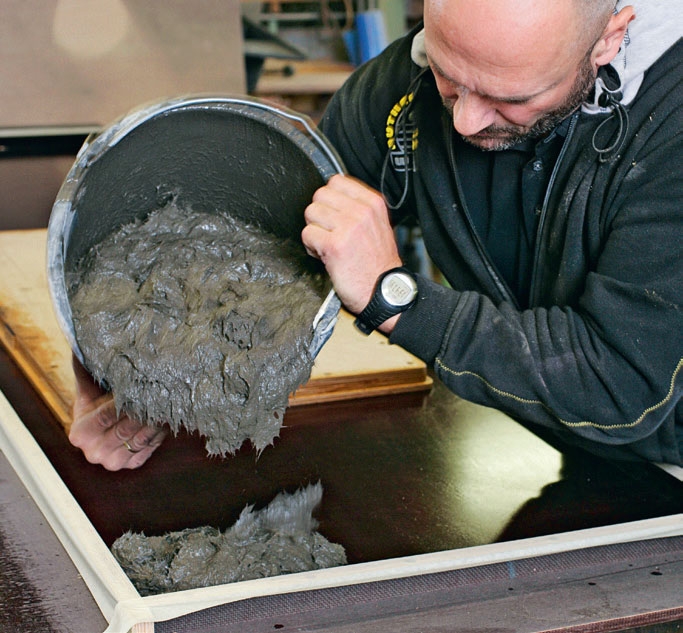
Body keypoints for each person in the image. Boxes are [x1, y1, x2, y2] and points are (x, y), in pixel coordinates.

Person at [71, 0, 682, 469]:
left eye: (508, 97)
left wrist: (395, 298)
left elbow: (621, 383)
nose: (465, 120)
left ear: (610, 37)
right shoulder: (402, 91)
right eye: (447, 74)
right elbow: (271, 246)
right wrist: (135, 371)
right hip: (547, 443)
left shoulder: (670, 130)